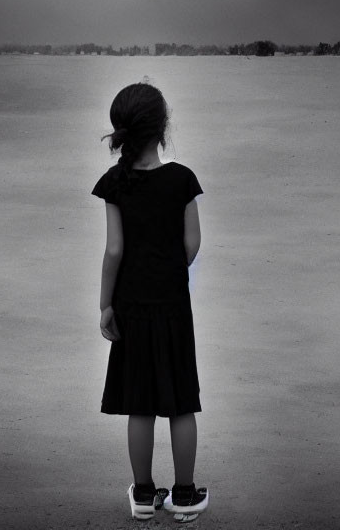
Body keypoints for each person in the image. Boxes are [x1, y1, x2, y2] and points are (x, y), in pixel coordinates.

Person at [91, 81, 209, 522]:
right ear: (163, 128)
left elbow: (114, 251)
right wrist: (167, 271)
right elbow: (192, 245)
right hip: (173, 307)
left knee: (139, 404)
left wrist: (106, 304)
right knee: (180, 402)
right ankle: (183, 496)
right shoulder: (182, 181)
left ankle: (143, 496)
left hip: (131, 308)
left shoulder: (115, 183)